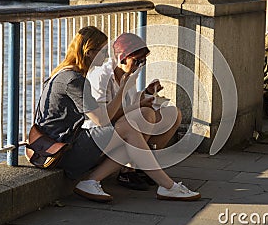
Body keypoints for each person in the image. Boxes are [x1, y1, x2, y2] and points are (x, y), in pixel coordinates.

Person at [35, 26, 200, 202]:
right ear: (89, 52)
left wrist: (135, 93)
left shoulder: (69, 74)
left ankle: (92, 181)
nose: (107, 56)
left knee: (133, 136)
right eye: (103, 51)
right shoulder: (74, 80)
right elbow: (100, 120)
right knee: (130, 129)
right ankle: (167, 186)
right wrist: (123, 89)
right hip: (64, 153)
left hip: (62, 145)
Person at [85, 33, 182, 191]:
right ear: (121, 58)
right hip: (101, 130)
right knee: (146, 114)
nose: (139, 66)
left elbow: (128, 104)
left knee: (173, 114)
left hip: (121, 123)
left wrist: (147, 93)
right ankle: (128, 170)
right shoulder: (100, 76)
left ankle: (141, 166)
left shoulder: (129, 73)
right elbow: (104, 117)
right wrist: (140, 105)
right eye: (136, 61)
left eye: (143, 61)